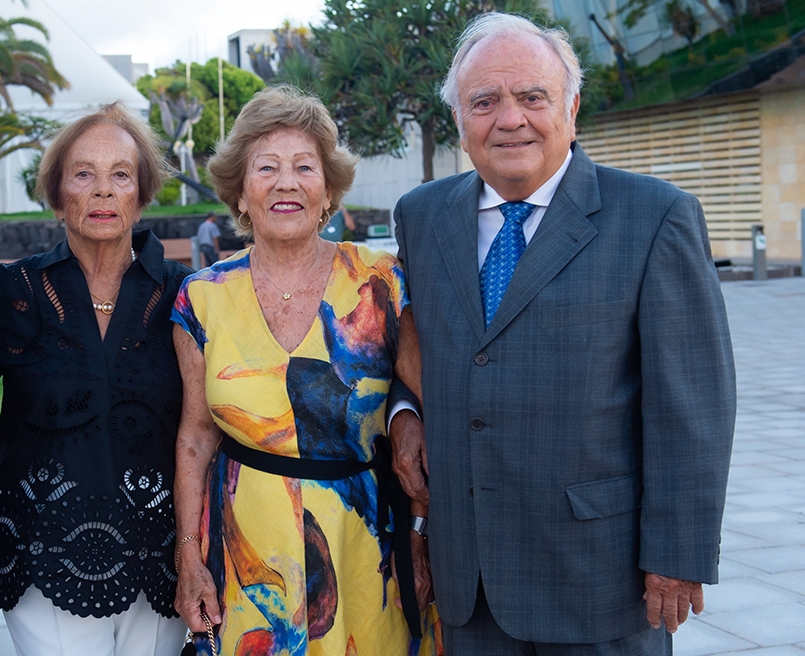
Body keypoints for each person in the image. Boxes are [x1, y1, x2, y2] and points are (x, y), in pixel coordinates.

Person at [389, 12, 736, 655]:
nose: (510, 118)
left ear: (572, 107)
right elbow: (410, 347)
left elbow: (692, 407)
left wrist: (678, 552)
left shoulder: (656, 217)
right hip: (470, 575)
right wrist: (406, 412)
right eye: (484, 101)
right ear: (461, 121)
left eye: (532, 96)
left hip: (601, 577)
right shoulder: (420, 216)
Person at [171, 86, 440, 655]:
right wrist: (187, 555)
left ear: (327, 190)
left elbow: (433, 398)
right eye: (265, 167)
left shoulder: (381, 282)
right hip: (248, 552)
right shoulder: (201, 298)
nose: (285, 182)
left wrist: (421, 529)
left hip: (366, 542)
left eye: (303, 166)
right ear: (240, 194)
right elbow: (196, 438)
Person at [0, 102, 190, 656]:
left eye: (121, 174)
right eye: (83, 174)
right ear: (56, 194)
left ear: (142, 194)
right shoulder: (13, 292)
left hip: (158, 550)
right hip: (40, 548)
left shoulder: (185, 294)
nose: (102, 191)